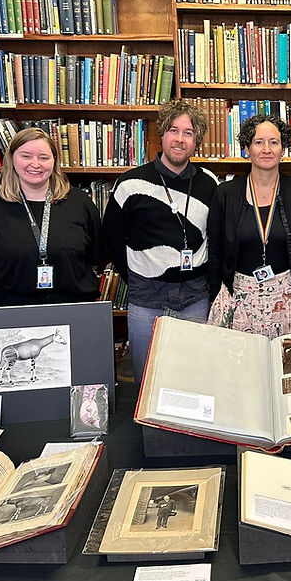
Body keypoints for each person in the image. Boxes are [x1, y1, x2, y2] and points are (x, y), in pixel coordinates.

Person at [103, 100, 218, 383]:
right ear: (162, 134)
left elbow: (217, 239)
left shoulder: (210, 184)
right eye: (173, 130)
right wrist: (139, 275)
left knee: (193, 377)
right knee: (147, 379)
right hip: (146, 297)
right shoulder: (130, 184)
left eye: (188, 133)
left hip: (195, 296)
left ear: (197, 141)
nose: (179, 139)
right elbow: (112, 239)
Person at [0, 127, 105, 306]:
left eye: (44, 157)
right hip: (14, 308)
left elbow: (96, 257)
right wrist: (12, 281)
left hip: (74, 307)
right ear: (11, 159)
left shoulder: (80, 202)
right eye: (26, 156)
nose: (35, 164)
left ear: (54, 161)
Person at [207, 113, 291, 339]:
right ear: (247, 149)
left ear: (283, 149)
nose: (267, 149)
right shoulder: (225, 193)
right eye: (258, 142)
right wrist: (216, 293)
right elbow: (215, 250)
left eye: (274, 142)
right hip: (238, 300)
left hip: (288, 299)